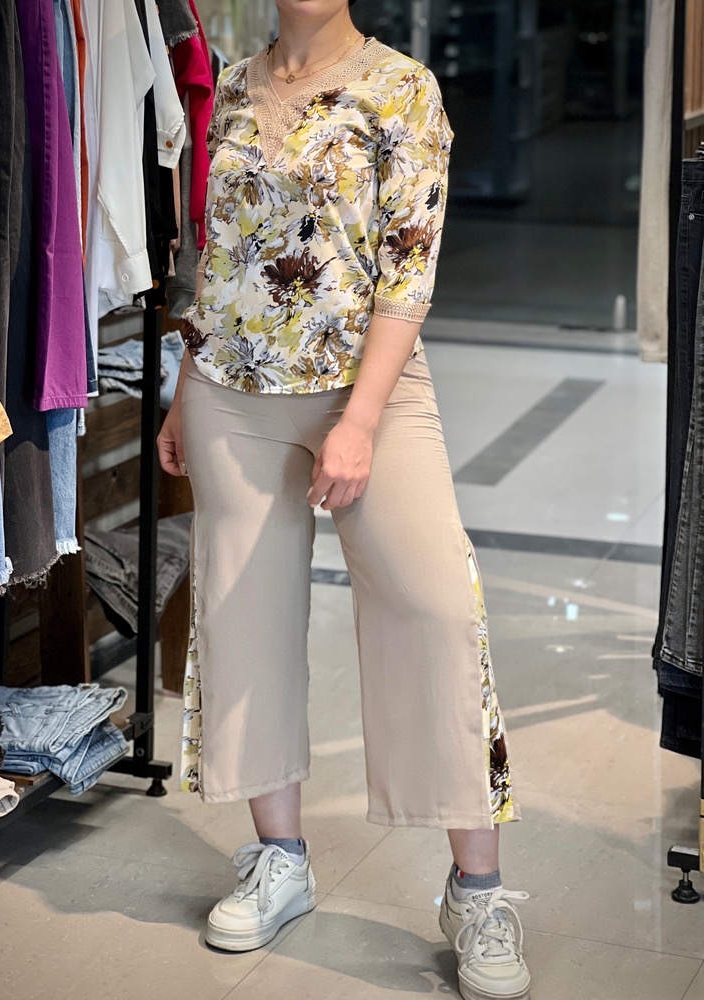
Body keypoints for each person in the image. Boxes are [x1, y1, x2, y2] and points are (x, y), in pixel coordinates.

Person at [158, 2, 531, 997]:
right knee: (242, 619)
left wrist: (359, 420)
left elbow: (408, 274)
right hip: (230, 391)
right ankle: (278, 858)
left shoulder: (402, 88)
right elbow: (218, 256)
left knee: (434, 608)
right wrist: (184, 390)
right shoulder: (231, 87)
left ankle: (478, 889)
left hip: (368, 390)